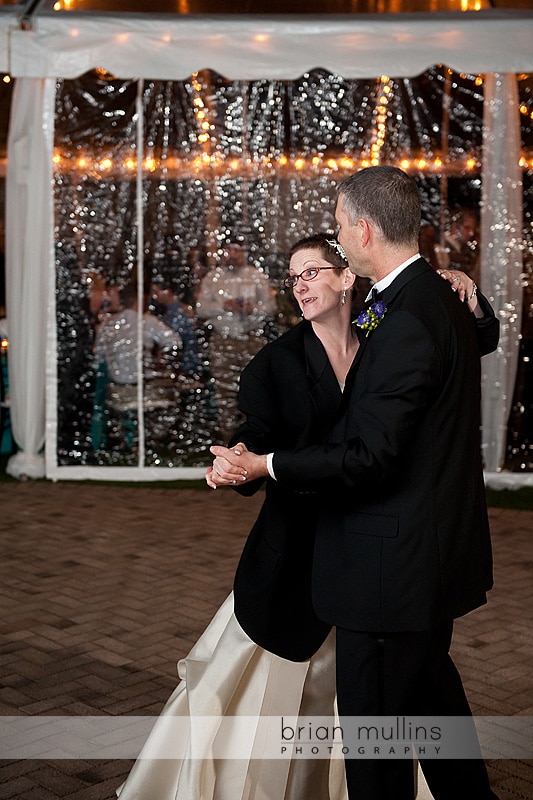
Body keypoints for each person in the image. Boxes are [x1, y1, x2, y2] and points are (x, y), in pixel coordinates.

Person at [117, 230, 498, 800]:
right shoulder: (278, 363)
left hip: (384, 556)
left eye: (313, 271)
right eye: (293, 277)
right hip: (301, 557)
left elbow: (466, 339)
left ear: (348, 278)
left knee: (408, 687)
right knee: (276, 700)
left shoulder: (381, 330)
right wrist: (240, 462)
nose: (301, 285)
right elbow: (256, 436)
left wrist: (465, 290)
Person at [210, 167, 499, 800]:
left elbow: (369, 455)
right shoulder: (423, 299)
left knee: (378, 755)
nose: (339, 239)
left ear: (363, 231)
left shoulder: (403, 317)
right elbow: (482, 335)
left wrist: (267, 466)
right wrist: (471, 296)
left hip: (386, 572)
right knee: (434, 716)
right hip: (429, 559)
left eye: (340, 228)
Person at [196, 243, 277, 443]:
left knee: (256, 389)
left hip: (251, 339)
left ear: (245, 253)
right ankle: (229, 442)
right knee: (225, 393)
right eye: (229, 250)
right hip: (223, 340)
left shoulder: (256, 276)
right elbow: (201, 308)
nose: (233, 255)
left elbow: (271, 307)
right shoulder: (213, 278)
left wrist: (254, 308)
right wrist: (223, 305)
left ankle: (255, 441)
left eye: (237, 250)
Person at [93, 282, 182, 451]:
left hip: (116, 390)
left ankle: (127, 439)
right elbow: (175, 342)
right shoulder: (147, 322)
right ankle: (155, 440)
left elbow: (99, 355)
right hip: (142, 388)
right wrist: (158, 358)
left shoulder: (108, 324)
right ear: (139, 300)